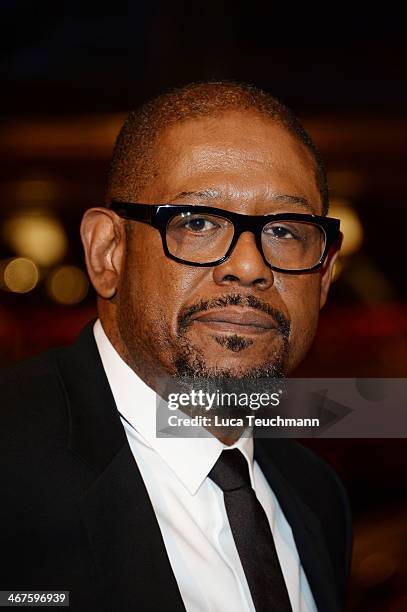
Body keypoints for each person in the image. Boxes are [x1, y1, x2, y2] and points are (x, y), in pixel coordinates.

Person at [0, 82, 352, 612]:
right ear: (107, 252)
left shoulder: (317, 495)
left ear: (324, 275)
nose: (250, 267)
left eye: (284, 231)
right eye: (198, 223)